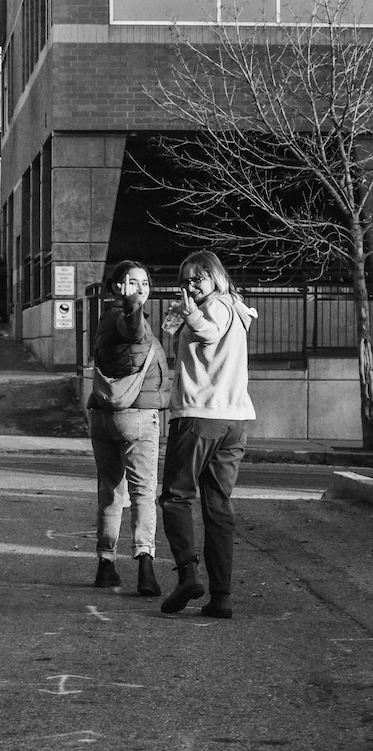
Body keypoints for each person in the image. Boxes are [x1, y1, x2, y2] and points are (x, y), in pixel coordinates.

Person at [159, 250, 257, 619]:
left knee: (176, 497)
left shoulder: (212, 309)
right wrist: (181, 319)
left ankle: (187, 574)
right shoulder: (237, 307)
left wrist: (191, 315)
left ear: (216, 276)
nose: (190, 285)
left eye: (198, 278)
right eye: (185, 279)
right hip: (234, 420)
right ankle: (222, 596)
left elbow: (209, 333)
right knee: (217, 506)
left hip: (199, 416)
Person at [87, 260, 169, 595]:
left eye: (145, 283)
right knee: (143, 493)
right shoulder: (124, 318)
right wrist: (133, 305)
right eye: (132, 283)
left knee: (110, 492)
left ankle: (106, 564)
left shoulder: (103, 320)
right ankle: (145, 565)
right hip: (136, 418)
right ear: (117, 287)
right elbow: (133, 328)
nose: (141, 289)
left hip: (104, 417)